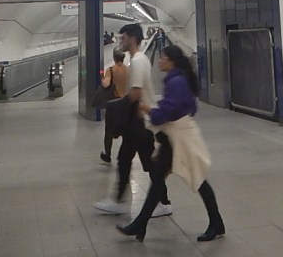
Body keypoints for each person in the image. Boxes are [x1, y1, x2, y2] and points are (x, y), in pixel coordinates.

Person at [116, 45, 225, 243]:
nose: (160, 61)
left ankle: (216, 223)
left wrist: (147, 109)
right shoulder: (177, 79)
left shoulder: (176, 82)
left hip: (182, 139)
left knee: (198, 179)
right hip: (174, 138)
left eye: (163, 58)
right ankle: (140, 224)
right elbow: (182, 108)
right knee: (158, 178)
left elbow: (166, 114)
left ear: (171, 61)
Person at [94, 23, 171, 217]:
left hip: (140, 120)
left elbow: (136, 93)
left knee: (148, 164)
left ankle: (163, 202)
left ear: (133, 39)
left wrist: (118, 108)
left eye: (124, 37)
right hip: (138, 120)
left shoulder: (137, 62)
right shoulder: (139, 60)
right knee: (125, 160)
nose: (121, 41)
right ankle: (119, 200)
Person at [100, 47, 128, 163]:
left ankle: (108, 155)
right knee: (126, 132)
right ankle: (125, 155)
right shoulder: (128, 70)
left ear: (114, 57)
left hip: (113, 105)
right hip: (125, 104)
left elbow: (106, 84)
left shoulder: (110, 70)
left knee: (109, 132)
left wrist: (102, 78)